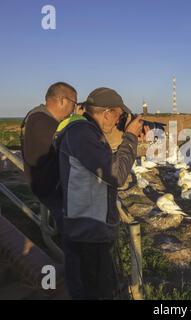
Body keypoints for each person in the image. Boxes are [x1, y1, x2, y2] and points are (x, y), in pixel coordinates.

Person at [54, 87, 143, 299]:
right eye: (119, 116)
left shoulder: (84, 132)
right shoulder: (82, 134)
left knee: (89, 289)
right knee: (96, 292)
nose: (118, 121)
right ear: (106, 113)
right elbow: (117, 175)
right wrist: (130, 137)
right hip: (88, 232)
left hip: (85, 227)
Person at [21, 82, 77, 230]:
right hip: (51, 189)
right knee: (71, 234)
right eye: (74, 104)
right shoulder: (42, 121)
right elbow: (71, 147)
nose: (74, 109)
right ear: (63, 100)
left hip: (47, 186)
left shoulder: (39, 117)